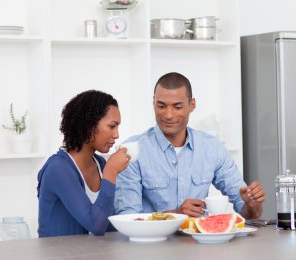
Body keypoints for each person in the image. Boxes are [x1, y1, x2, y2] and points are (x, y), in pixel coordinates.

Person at [115, 72, 265, 219]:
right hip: (152, 243)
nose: (168, 114)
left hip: (201, 242)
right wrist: (176, 214)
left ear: (192, 105)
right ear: (153, 103)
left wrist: (252, 204)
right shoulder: (132, 150)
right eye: (161, 106)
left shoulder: (212, 148)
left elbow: (248, 213)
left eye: (177, 107)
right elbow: (127, 217)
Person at [37, 90, 130, 237]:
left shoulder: (100, 164)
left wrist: (156, 220)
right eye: (112, 126)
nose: (116, 135)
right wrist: (111, 171)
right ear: (89, 125)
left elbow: (108, 225)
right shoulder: (58, 168)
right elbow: (96, 225)